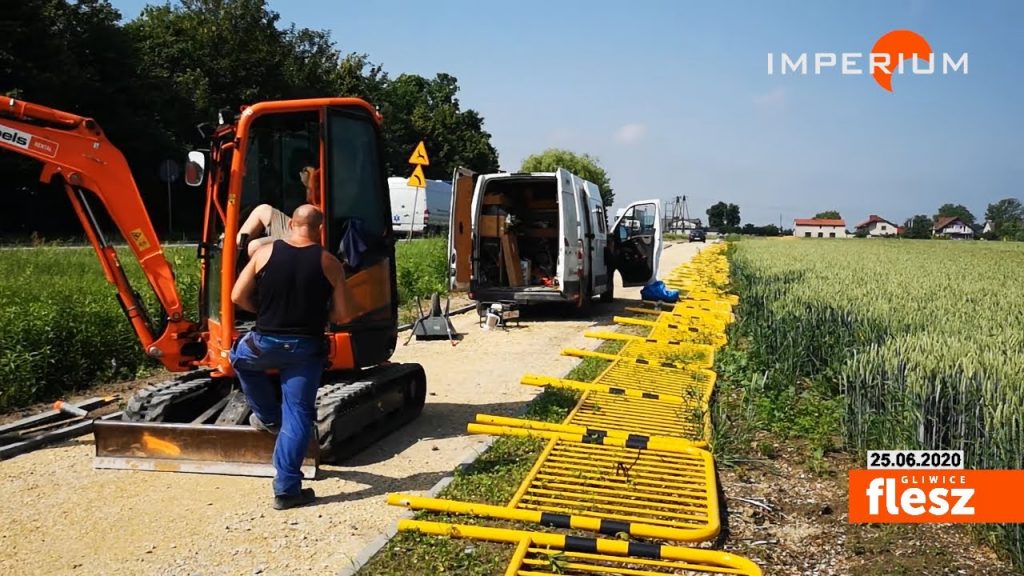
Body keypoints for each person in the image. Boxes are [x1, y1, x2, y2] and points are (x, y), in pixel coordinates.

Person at [229, 204, 351, 510]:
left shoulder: (263, 255)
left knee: (241, 359)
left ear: (291, 224)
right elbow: (342, 314)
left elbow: (236, 296)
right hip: (305, 350)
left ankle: (268, 417)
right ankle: (286, 491)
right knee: (297, 416)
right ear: (319, 229)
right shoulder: (329, 262)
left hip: (263, 344)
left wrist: (263, 312)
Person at [238, 165, 321, 258]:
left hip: (310, 231)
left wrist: (311, 180)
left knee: (255, 246)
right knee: (262, 210)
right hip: (297, 225)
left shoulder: (324, 173)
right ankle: (231, 247)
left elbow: (315, 201)